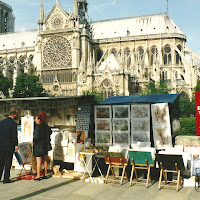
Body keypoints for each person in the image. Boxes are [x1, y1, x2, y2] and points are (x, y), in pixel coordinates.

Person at [0, 108, 18, 184]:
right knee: (8, 162)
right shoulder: (13, 123)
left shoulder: (1, 122)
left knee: (0, 162)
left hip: (1, 145)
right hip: (9, 145)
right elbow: (14, 136)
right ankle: (6, 178)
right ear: (13, 114)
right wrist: (16, 145)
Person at [33, 112, 52, 181]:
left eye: (36, 118)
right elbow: (50, 133)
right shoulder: (46, 127)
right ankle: (45, 174)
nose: (35, 120)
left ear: (39, 119)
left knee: (38, 161)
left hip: (39, 146)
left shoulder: (38, 127)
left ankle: (38, 175)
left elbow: (36, 137)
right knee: (45, 160)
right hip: (45, 145)